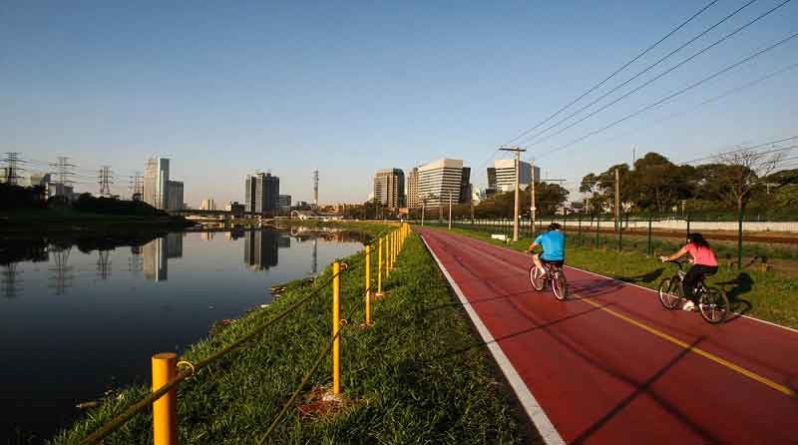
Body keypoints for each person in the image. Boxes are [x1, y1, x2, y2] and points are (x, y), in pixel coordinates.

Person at [660, 233, 718, 311]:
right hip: (714, 267)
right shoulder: (706, 246)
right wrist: (694, 260)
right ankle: (703, 296)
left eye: (688, 239)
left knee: (686, 283)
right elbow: (709, 257)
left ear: (691, 239)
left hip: (701, 267)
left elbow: (677, 255)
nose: (687, 240)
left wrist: (667, 258)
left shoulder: (690, 245)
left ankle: (693, 302)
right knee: (696, 281)